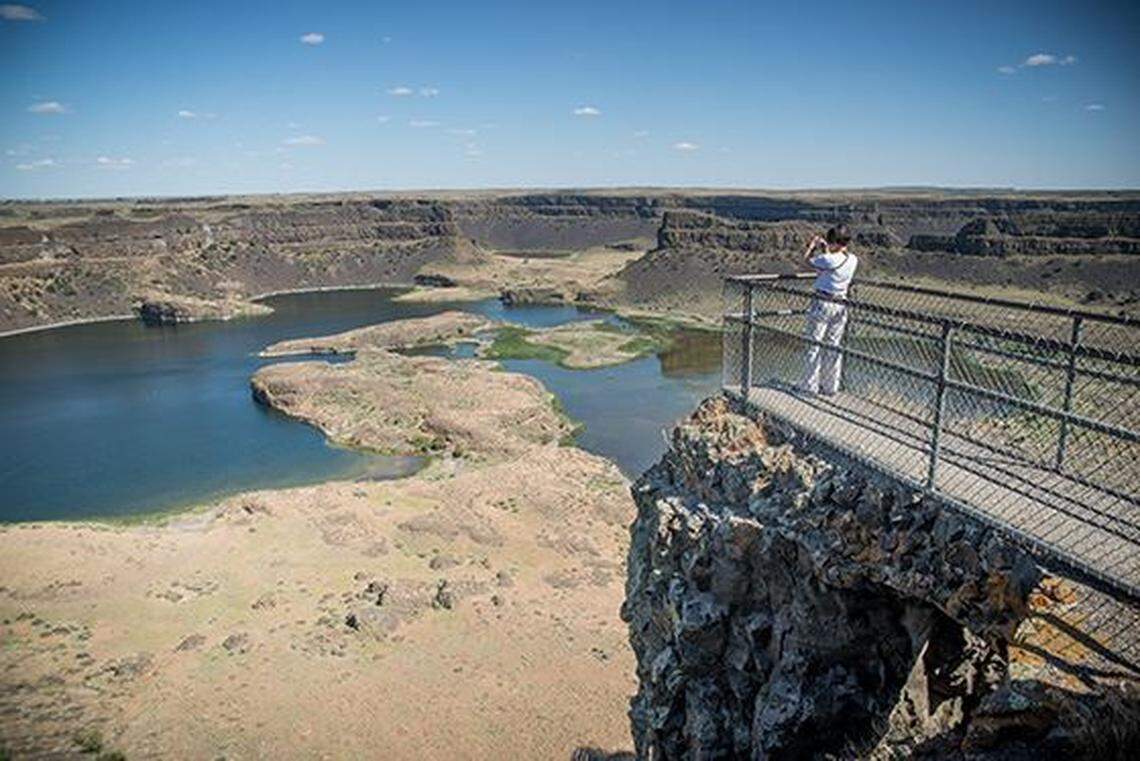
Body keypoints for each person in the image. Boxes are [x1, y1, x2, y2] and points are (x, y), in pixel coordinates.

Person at [799, 224, 858, 396]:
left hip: (823, 302)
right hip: (841, 304)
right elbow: (830, 265)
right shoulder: (853, 259)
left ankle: (809, 386)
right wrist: (826, 249)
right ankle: (830, 386)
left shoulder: (829, 259)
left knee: (814, 344)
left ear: (834, 242)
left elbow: (807, 261)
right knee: (833, 345)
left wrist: (812, 247)